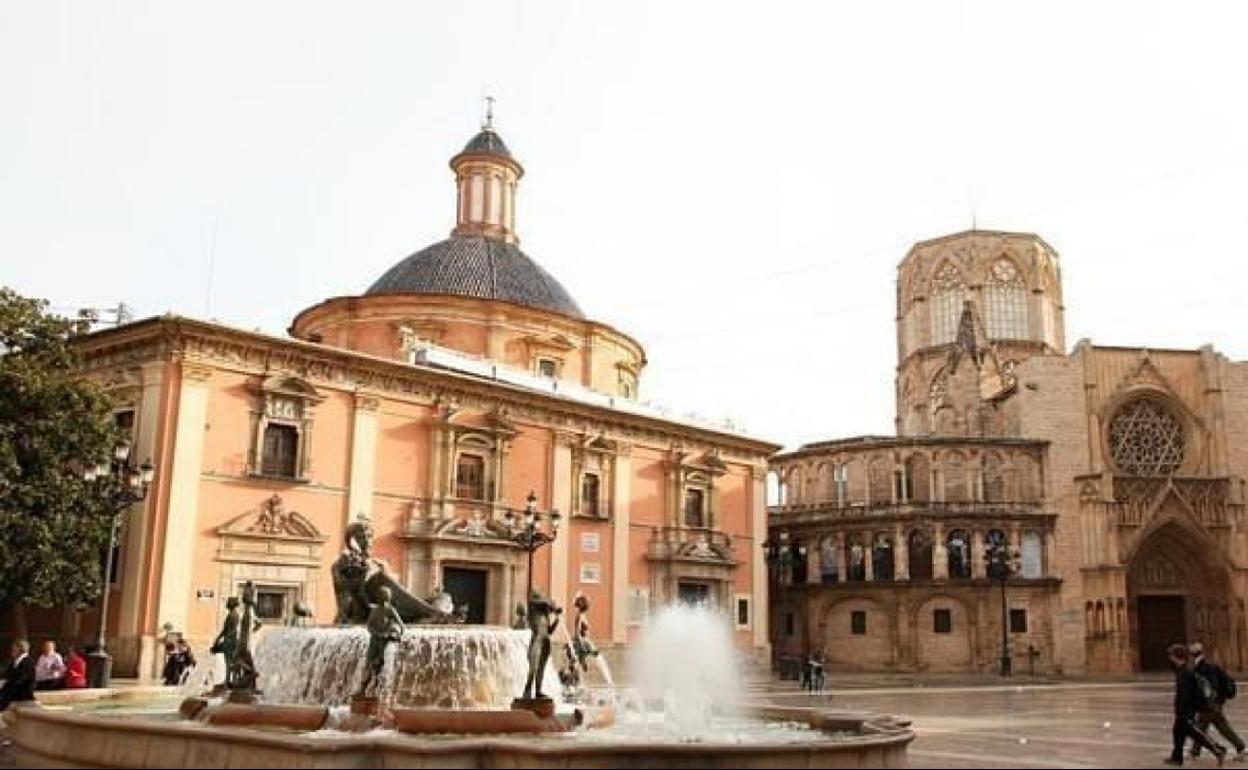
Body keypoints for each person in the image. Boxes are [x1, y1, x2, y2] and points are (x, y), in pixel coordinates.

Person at [1165, 643, 1226, 766]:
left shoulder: (1185, 672)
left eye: (1171, 655)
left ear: (1176, 656)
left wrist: (1183, 709)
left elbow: (1185, 694)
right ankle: (1177, 757)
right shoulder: (1182, 670)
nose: (1169, 658)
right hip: (1184, 709)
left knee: (1195, 733)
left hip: (1186, 710)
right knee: (1177, 732)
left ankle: (1218, 749)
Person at [1190, 642, 1246, 762]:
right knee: (1221, 727)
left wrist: (1207, 701)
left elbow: (1211, 686)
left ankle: (1197, 752)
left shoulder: (1204, 666)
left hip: (1210, 703)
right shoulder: (1205, 665)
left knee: (1200, 728)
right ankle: (1240, 747)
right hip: (1214, 703)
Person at [0, 640, 35, 711]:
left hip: (22, 694)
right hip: (10, 692)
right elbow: (6, 675)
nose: (12, 650)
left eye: (14, 648)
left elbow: (21, 680)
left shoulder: (28, 661)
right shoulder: (14, 662)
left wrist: (6, 686)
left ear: (20, 649)